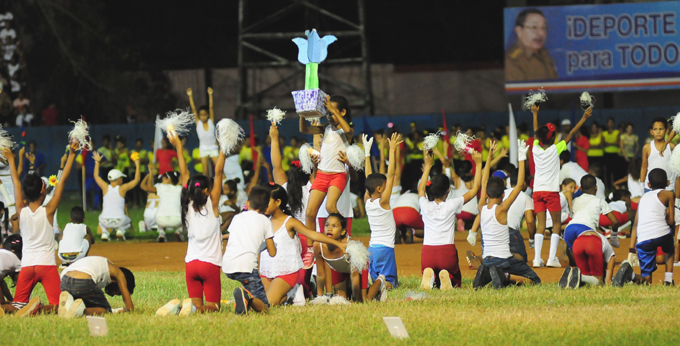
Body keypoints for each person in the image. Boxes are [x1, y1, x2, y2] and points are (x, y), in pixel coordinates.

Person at [0, 141, 77, 316]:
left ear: (26, 194)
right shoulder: (49, 211)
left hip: (27, 266)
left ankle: (5, 309)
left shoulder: (21, 209)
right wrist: (72, 154)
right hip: (47, 265)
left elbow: (15, 182)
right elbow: (62, 182)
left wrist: (11, 160)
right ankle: (38, 309)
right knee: (60, 307)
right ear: (43, 192)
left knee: (17, 304)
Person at [156, 133, 225, 315]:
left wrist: (178, 146)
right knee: (213, 308)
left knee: (196, 308)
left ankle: (183, 308)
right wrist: (223, 151)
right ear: (207, 190)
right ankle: (187, 308)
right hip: (209, 265)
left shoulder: (186, 204)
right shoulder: (213, 204)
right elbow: (218, 173)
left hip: (191, 265)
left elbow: (184, 173)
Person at [260, 184, 346, 307]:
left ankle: (292, 290)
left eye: (266, 201)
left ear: (278, 202)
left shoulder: (289, 222)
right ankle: (285, 296)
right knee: (258, 301)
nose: (262, 204)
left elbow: (312, 234)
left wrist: (338, 243)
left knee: (267, 304)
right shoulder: (263, 221)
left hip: (286, 272)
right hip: (266, 271)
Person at [473, 139, 540, 289]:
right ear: (503, 194)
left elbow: (484, 182)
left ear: (486, 194)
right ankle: (505, 276)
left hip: (487, 260)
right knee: (534, 280)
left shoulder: (481, 207)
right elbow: (519, 185)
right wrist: (522, 157)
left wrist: (489, 157)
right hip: (503, 260)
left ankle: (487, 274)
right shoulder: (502, 209)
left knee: (495, 268)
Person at [532, 104, 591, 268]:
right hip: (551, 192)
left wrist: (535, 114)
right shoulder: (555, 149)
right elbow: (571, 134)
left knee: (541, 225)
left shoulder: (535, 149)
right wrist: (584, 118)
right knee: (556, 224)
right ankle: (551, 258)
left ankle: (537, 259)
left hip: (537, 192)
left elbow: (536, 133)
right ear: (552, 138)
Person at [419, 145, 484, 290]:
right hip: (446, 253)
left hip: (427, 253)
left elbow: (421, 189)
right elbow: (474, 190)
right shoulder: (452, 204)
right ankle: (447, 275)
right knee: (455, 278)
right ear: (448, 191)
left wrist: (428, 166)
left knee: (429, 271)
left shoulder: (424, 204)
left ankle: (431, 275)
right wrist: (478, 164)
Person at [299, 95, 354, 237]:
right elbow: (304, 130)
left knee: (330, 206)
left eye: (333, 112)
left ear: (342, 112)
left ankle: (344, 237)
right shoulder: (325, 129)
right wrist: (302, 114)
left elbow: (348, 130)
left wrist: (331, 109)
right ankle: (311, 249)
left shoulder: (346, 131)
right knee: (310, 212)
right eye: (328, 113)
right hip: (322, 175)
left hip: (337, 175)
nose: (329, 116)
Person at [222, 186, 276, 315]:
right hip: (247, 268)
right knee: (264, 308)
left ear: (247, 203)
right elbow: (272, 252)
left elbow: (236, 235)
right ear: (266, 207)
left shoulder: (237, 218)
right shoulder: (265, 221)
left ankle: (244, 298)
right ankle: (247, 298)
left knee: (247, 283)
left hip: (228, 266)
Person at [616, 169, 675, 286]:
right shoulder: (669, 194)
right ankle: (668, 279)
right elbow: (672, 221)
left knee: (647, 281)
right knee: (670, 248)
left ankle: (632, 276)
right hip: (662, 234)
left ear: (649, 185)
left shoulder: (642, 199)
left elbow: (636, 225)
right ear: (668, 183)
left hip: (643, 239)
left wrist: (632, 248)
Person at [313, 213, 386, 303]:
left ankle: (380, 281)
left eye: (334, 226)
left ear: (343, 232)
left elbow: (355, 276)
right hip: (339, 269)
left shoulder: (350, 248)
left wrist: (356, 299)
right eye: (327, 225)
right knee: (341, 299)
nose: (329, 228)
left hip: (358, 269)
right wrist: (319, 298)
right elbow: (320, 275)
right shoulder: (318, 245)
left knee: (364, 300)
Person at [363, 133, 402, 289]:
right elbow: (391, 174)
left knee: (377, 276)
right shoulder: (383, 202)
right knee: (390, 282)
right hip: (385, 250)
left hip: (371, 250)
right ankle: (382, 286)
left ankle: (371, 280)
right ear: (379, 189)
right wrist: (391, 150)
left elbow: (368, 178)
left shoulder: (368, 202)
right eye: (385, 186)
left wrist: (367, 154)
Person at [58, 256, 135, 317]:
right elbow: (130, 308)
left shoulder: (104, 265)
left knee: (76, 305)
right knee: (104, 310)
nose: (112, 295)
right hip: (82, 281)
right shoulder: (119, 273)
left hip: (64, 280)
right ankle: (80, 312)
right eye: (117, 292)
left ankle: (46, 309)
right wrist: (127, 309)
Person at [93, 150, 141, 241]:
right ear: (118, 179)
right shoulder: (122, 188)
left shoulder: (105, 188)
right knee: (128, 222)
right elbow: (136, 180)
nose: (122, 179)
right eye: (121, 178)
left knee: (101, 218)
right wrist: (137, 164)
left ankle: (105, 233)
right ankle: (121, 231)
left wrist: (97, 162)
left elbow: (96, 176)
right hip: (120, 220)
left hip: (105, 221)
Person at [564, 175, 619, 250]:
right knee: (606, 253)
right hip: (586, 230)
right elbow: (615, 221)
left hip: (569, 229)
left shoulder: (575, 200)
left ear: (580, 189)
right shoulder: (600, 201)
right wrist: (613, 237)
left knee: (575, 255)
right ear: (596, 188)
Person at [505, 8, 558, 82]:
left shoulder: (545, 56)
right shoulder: (512, 61)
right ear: (519, 31)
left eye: (543, 28)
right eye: (534, 27)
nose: (541, 33)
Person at [143, 169, 182, 243]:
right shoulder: (180, 189)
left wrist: (150, 174)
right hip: (177, 220)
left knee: (159, 213)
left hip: (160, 220)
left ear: (169, 179)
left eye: (164, 177)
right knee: (186, 215)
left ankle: (161, 234)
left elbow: (148, 188)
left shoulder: (161, 187)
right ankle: (179, 231)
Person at [187, 87, 219, 175]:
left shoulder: (210, 121)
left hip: (213, 148)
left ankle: (222, 186)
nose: (202, 117)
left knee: (218, 169)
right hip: (203, 148)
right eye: (201, 115)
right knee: (205, 171)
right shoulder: (198, 123)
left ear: (208, 115)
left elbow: (211, 107)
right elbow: (193, 109)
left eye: (204, 115)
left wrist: (210, 95)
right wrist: (190, 96)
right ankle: (206, 187)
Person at [640, 117, 675, 193]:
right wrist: (642, 184)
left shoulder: (671, 147)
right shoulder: (647, 147)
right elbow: (644, 167)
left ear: (666, 130)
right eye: (655, 129)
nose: (658, 132)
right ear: (651, 131)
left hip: (668, 187)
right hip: (650, 187)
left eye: (661, 129)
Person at [0, 234, 21, 306]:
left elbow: (2, 284)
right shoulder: (16, 261)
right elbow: (21, 284)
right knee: (2, 306)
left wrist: (11, 300)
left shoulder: (1, 252)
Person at [602, 117, 621, 187]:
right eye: (609, 122)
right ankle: (609, 186)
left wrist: (609, 143)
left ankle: (616, 185)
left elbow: (618, 143)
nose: (610, 124)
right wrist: (613, 143)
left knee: (615, 171)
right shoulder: (604, 133)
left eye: (611, 122)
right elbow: (603, 143)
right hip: (607, 154)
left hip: (615, 153)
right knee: (607, 171)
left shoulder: (617, 132)